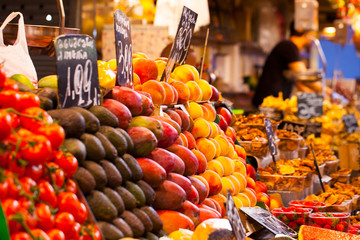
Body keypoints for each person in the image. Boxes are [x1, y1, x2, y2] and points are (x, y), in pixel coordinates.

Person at [252, 21, 331, 107]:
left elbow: (300, 84)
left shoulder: (291, 48)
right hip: (266, 104)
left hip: (274, 104)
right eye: (312, 33)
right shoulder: (289, 47)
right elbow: (303, 78)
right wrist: (329, 92)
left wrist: (319, 99)